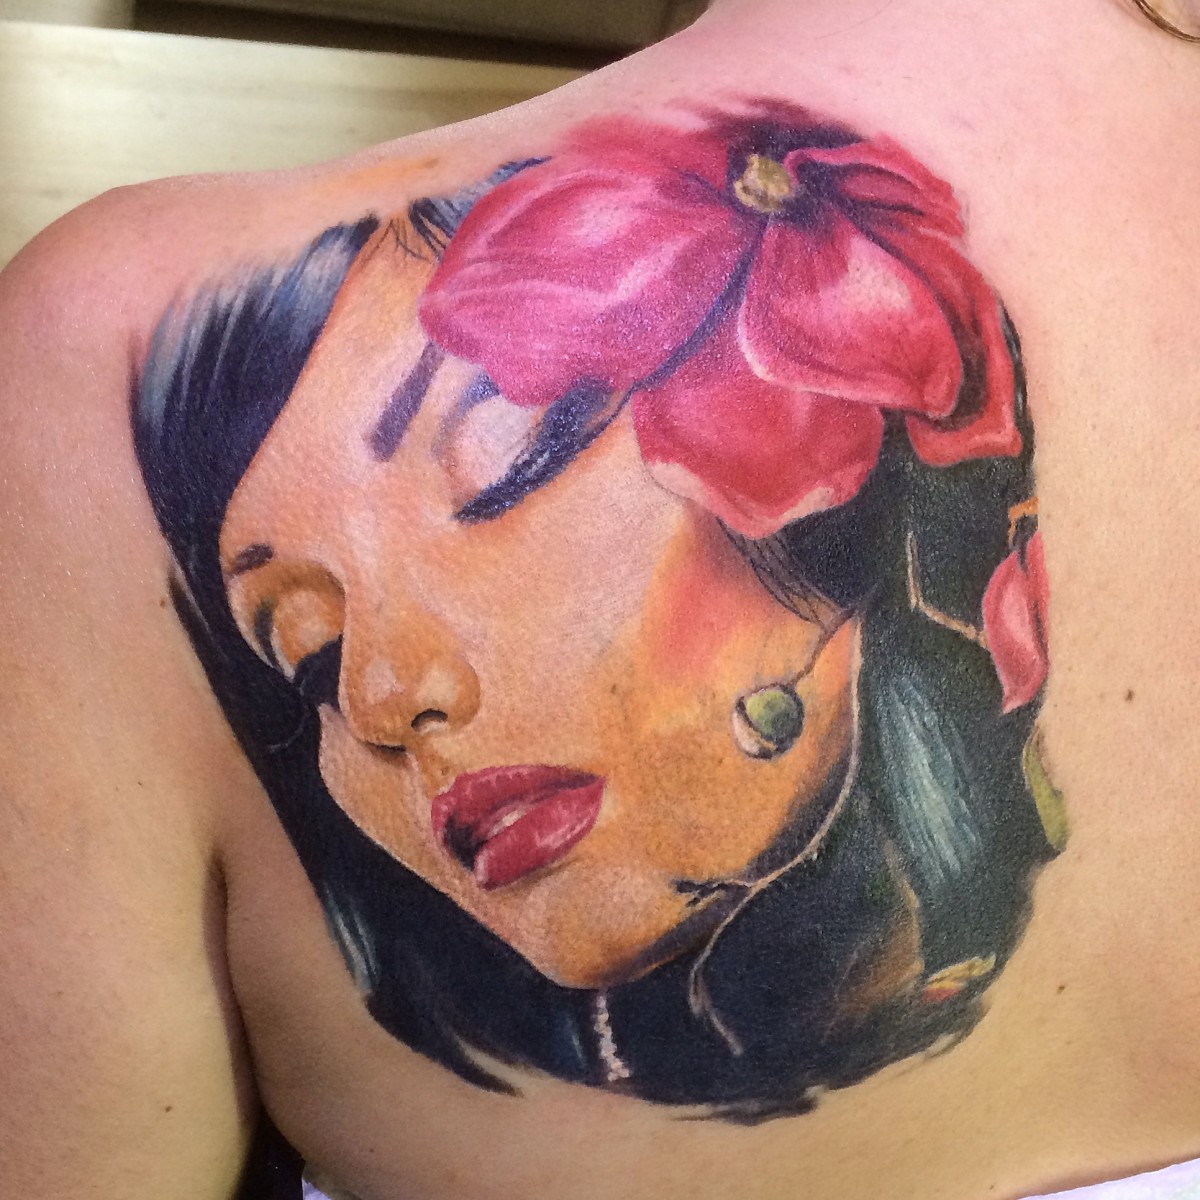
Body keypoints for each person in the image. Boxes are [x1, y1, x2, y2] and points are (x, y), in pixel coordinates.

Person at [1, 1, 1198, 1198]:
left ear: (831, 466)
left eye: (503, 465)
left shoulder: (85, 356)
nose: (375, 700)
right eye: (305, 657)